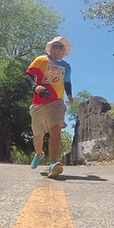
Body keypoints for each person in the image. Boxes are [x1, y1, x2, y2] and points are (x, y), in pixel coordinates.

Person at [25, 36, 74, 178]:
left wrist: (70, 95)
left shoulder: (66, 67)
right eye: (55, 46)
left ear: (64, 51)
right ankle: (39, 154)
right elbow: (28, 76)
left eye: (61, 47)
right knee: (38, 135)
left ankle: (53, 163)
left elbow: (67, 82)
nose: (58, 49)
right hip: (38, 103)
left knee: (56, 127)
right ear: (50, 49)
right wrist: (36, 87)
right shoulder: (41, 60)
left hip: (57, 103)